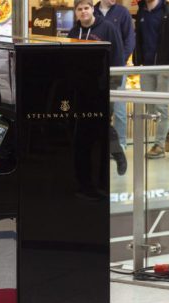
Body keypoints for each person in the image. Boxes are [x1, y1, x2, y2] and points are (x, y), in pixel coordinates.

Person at [69, 0, 128, 175]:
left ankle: (117, 154)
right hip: (82, 89)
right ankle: (89, 170)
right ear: (75, 12)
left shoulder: (108, 28)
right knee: (88, 127)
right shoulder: (73, 32)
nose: (83, 12)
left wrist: (113, 85)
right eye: (79, 9)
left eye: (86, 8)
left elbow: (118, 56)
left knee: (101, 122)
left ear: (92, 9)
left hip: (104, 86)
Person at [134, 0, 169, 159]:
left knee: (161, 107)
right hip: (146, 66)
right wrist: (137, 61)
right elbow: (138, 38)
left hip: (164, 67)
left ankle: (159, 145)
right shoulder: (141, 10)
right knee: (151, 108)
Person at [94, 0, 134, 149]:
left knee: (119, 109)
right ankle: (100, 143)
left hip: (117, 69)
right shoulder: (92, 11)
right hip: (96, 70)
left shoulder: (122, 12)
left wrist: (119, 61)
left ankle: (121, 144)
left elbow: (130, 40)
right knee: (98, 108)